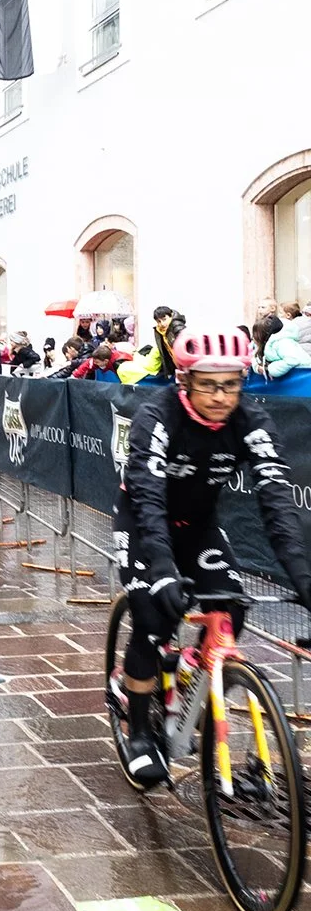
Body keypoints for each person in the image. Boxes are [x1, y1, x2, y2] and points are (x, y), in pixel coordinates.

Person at [112, 328, 311, 788]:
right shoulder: (156, 415)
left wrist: (303, 580)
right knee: (152, 618)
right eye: (209, 384)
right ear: (184, 380)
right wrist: (161, 572)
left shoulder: (252, 420)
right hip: (145, 523)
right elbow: (147, 496)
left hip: (198, 525)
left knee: (232, 606)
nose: (222, 396)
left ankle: (187, 672)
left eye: (232, 383)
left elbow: (278, 506)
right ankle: (139, 730)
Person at [118, 305, 183, 386]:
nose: (162, 324)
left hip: (181, 365)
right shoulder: (162, 332)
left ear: (171, 316)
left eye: (164, 319)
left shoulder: (178, 330)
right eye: (159, 321)